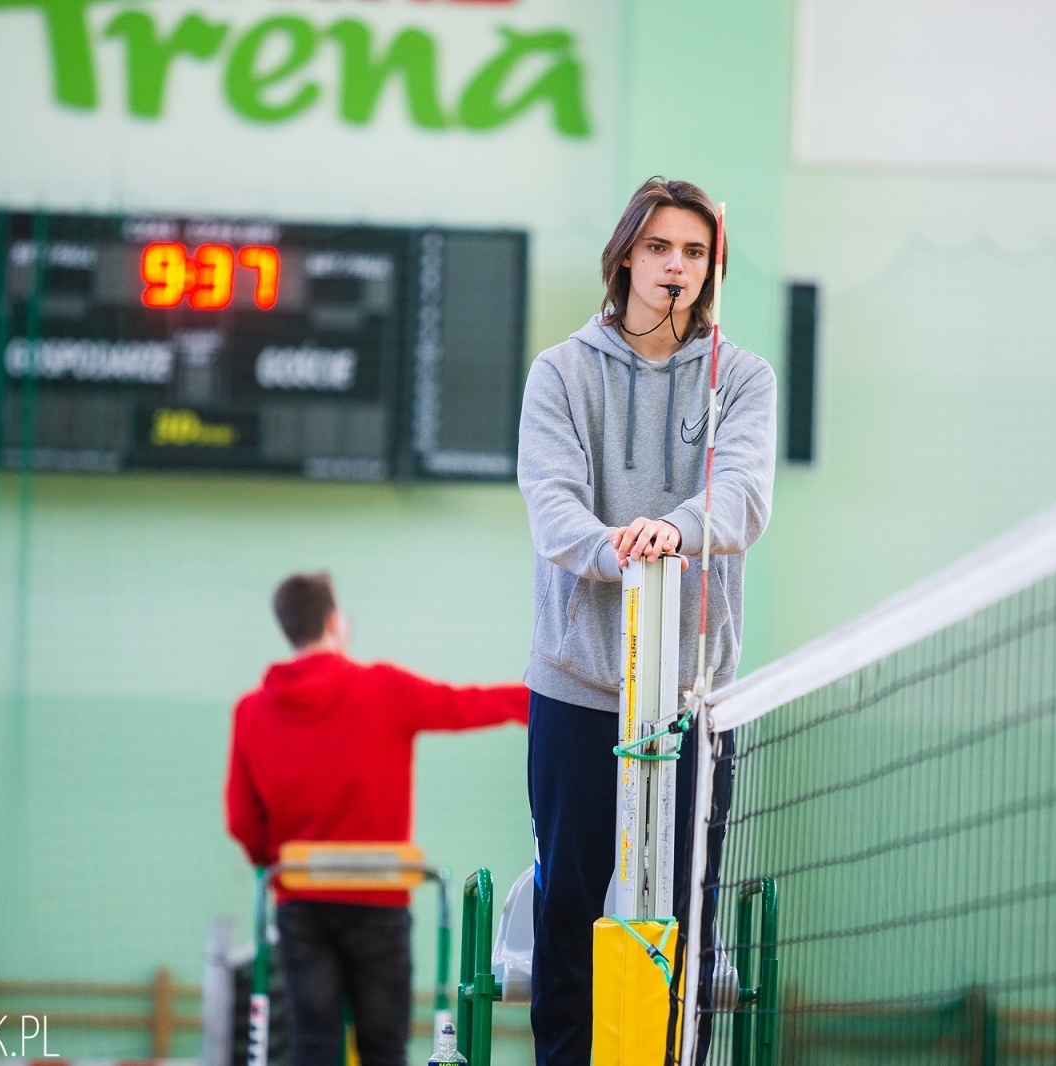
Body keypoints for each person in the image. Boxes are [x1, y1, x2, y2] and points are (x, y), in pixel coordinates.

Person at [516, 178, 777, 1065]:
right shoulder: (561, 372)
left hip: (696, 698)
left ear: (713, 269)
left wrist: (678, 528)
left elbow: (743, 500)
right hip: (580, 687)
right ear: (628, 254)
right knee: (571, 905)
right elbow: (553, 512)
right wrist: (622, 549)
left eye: (695, 253)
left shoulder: (742, 377)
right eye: (661, 247)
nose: (677, 266)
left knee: (687, 904)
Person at [225, 572, 528, 1066]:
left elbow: (241, 818)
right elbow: (465, 704)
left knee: (313, 1047)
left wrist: (276, 863)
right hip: (380, 902)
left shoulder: (251, 712)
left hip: (301, 902)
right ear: (332, 622)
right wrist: (548, 704)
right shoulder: (383, 688)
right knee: (384, 1048)